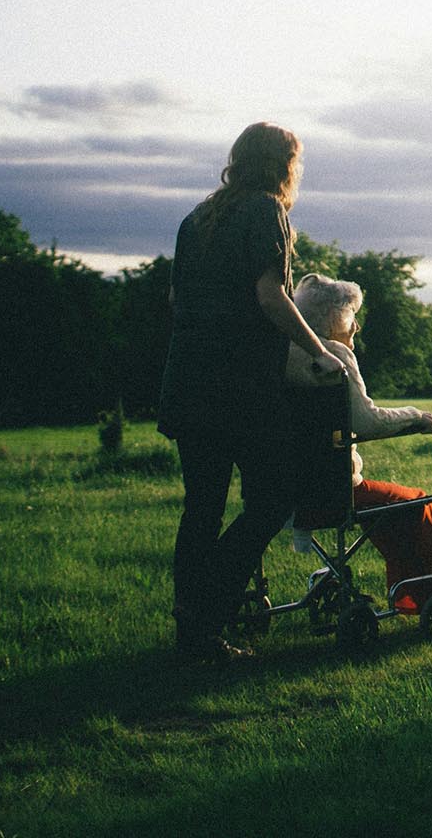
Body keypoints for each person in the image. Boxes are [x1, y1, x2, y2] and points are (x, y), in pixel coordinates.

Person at [157, 122, 346, 660]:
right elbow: (271, 296)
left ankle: (192, 629)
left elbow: (177, 298)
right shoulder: (267, 213)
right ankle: (208, 611)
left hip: (188, 381)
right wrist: (319, 350)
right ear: (283, 164)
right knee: (272, 500)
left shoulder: (197, 218)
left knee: (202, 508)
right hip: (238, 388)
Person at [285, 273, 432, 620]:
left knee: (390, 509)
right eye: (351, 316)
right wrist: (415, 416)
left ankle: (414, 597)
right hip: (333, 491)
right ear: (333, 319)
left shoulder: (284, 354)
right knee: (417, 502)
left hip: (285, 491)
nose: (356, 326)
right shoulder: (333, 356)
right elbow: (367, 422)